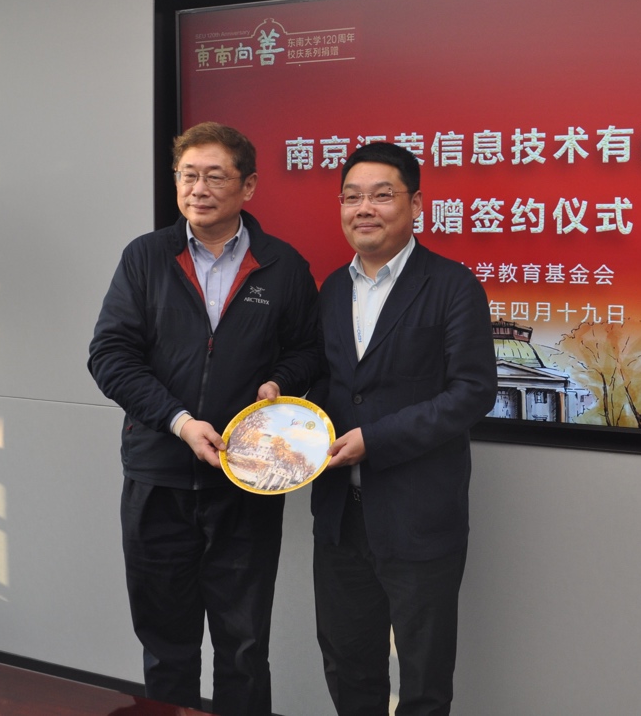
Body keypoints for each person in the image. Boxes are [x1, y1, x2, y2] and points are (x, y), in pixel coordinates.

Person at [88, 122, 322, 716]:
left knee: (244, 647)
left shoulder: (284, 266)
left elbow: (309, 352)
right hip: (158, 476)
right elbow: (110, 356)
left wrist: (281, 382)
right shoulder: (145, 258)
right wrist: (178, 420)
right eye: (188, 175)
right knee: (166, 645)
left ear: (249, 186)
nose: (198, 188)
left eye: (215, 176)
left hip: (245, 482)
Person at [310, 142, 498, 716]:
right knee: (348, 668)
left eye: (381, 195)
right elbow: (327, 382)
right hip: (341, 518)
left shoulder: (452, 285)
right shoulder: (332, 288)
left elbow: (472, 392)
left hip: (418, 517)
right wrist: (284, 405)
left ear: (416, 204)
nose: (364, 208)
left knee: (422, 682)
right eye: (352, 197)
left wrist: (376, 440)